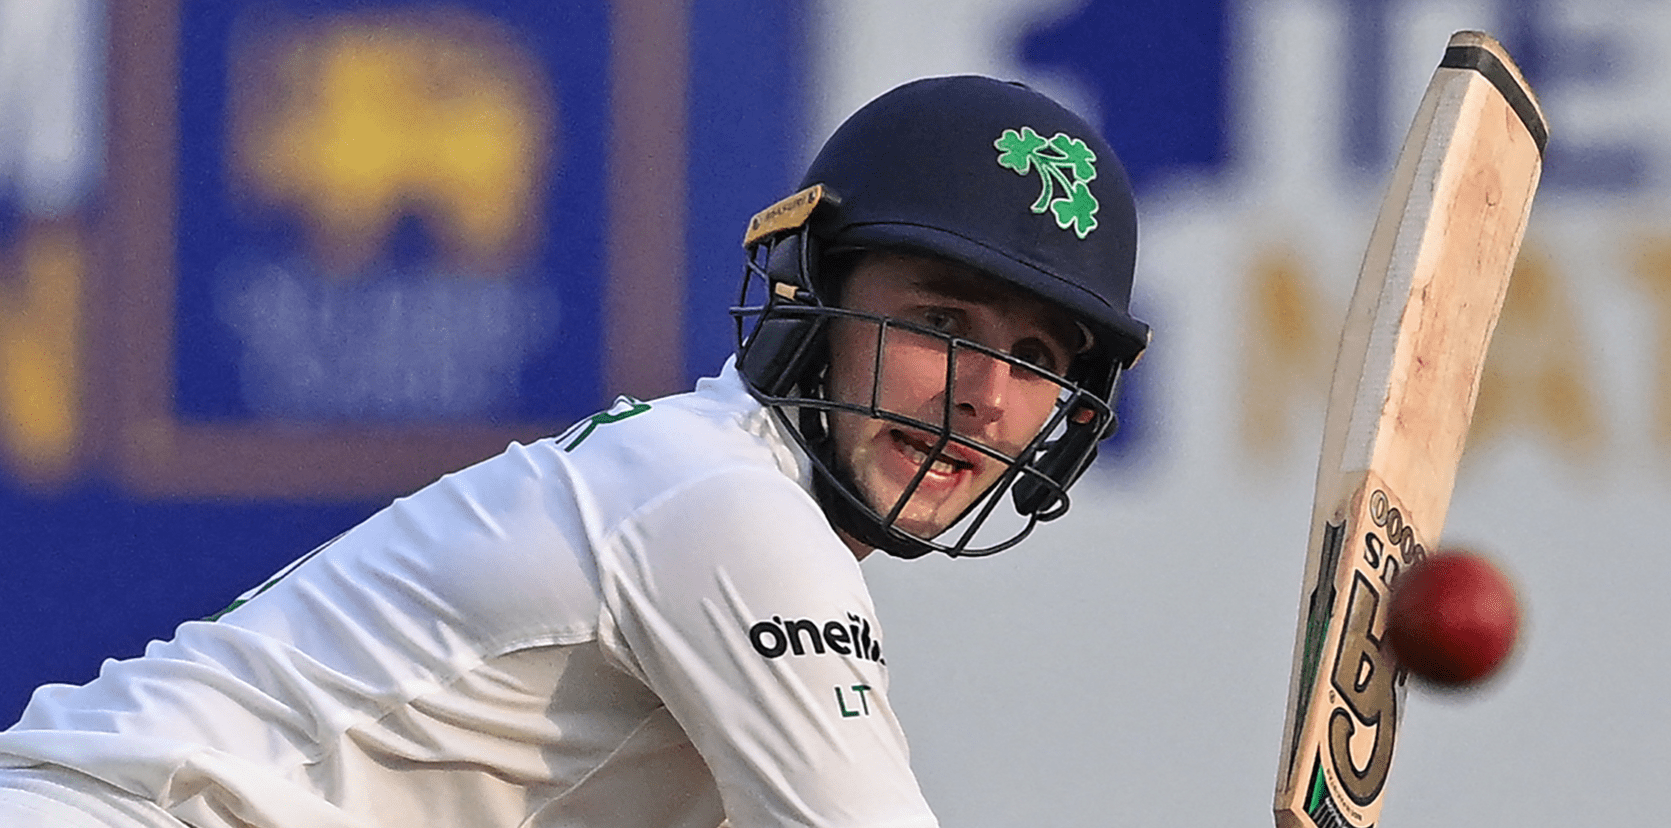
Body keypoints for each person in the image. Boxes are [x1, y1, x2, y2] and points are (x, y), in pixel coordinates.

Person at [0, 74, 1149, 828]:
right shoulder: (726, 510)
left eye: (1040, 357)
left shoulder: (705, 491)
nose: (988, 398)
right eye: (942, 325)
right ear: (810, 298)